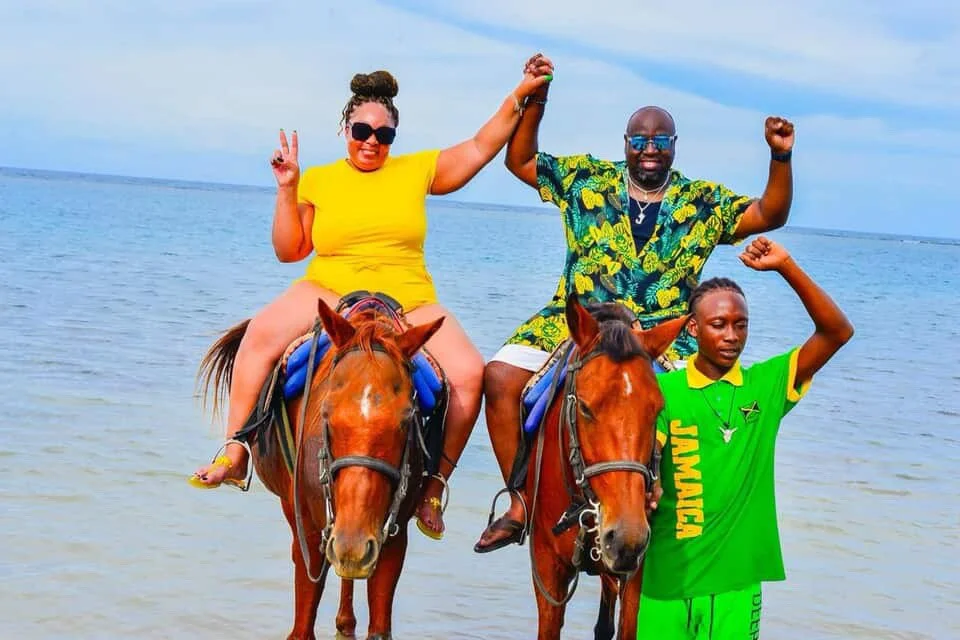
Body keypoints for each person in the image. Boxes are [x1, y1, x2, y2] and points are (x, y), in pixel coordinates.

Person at [190, 58, 555, 542]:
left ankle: (432, 486)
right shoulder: (317, 178)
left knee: (469, 374)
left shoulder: (416, 169)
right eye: (362, 130)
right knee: (258, 337)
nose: (371, 141)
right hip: (328, 288)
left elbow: (481, 146)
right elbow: (288, 250)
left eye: (384, 136)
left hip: (408, 297)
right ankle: (236, 451)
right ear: (346, 128)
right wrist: (287, 188)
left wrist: (522, 92)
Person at [475, 53, 797, 552]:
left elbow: (769, 214)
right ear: (625, 145)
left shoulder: (702, 202)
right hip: (580, 323)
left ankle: (677, 524)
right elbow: (519, 160)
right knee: (497, 377)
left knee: (694, 411)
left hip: (657, 336)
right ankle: (522, 499)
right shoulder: (586, 180)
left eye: (660, 141)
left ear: (673, 147)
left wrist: (780, 157)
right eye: (640, 141)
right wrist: (536, 99)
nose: (650, 149)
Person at [636, 236, 854, 638]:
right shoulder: (666, 393)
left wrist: (786, 265)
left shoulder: (765, 386)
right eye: (719, 325)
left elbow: (837, 332)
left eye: (741, 325)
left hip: (738, 583)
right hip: (666, 581)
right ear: (694, 328)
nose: (731, 335)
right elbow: (641, 464)